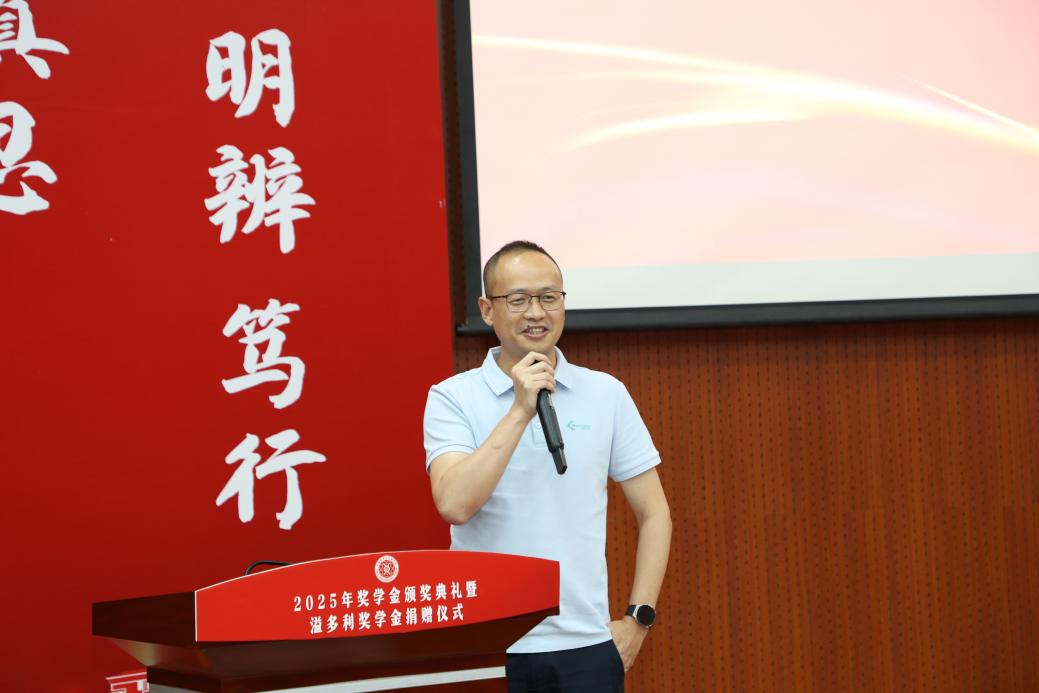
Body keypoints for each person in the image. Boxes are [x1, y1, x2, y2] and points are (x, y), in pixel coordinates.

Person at [423, 240, 672, 692]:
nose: (536, 313)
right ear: (487, 310)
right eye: (518, 300)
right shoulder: (452, 397)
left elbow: (655, 512)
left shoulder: (606, 393)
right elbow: (454, 504)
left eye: (548, 297)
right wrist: (520, 409)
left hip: (586, 645)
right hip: (487, 646)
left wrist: (638, 618)